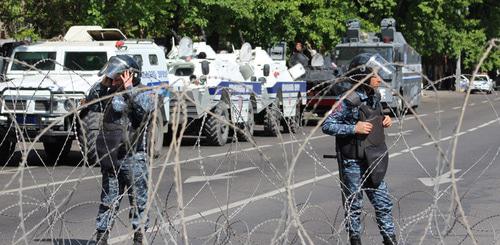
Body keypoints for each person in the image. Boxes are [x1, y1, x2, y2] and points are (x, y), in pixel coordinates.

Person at [322, 53, 397, 245]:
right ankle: (355, 240)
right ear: (363, 77)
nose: (379, 79)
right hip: (353, 162)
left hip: (373, 159)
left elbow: (373, 116)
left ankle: (390, 240)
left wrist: (384, 120)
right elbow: (327, 125)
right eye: (375, 76)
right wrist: (353, 128)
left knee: (383, 204)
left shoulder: (374, 96)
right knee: (354, 206)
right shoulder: (348, 99)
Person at [85, 55, 156, 245]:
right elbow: (92, 101)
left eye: (118, 77)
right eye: (113, 78)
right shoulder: (110, 94)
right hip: (111, 155)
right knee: (109, 200)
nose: (115, 81)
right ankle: (102, 236)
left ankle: (139, 238)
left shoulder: (144, 92)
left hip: (133, 157)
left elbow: (144, 112)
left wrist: (129, 89)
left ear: (129, 75)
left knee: (138, 202)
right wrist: (104, 82)